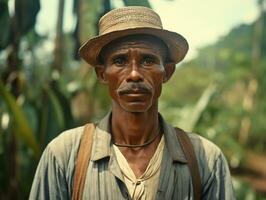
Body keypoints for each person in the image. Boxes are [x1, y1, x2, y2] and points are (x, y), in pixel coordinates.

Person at [29, 6, 235, 200]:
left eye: (148, 60)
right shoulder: (64, 156)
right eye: (119, 61)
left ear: (168, 72)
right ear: (102, 74)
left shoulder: (205, 160)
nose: (135, 74)